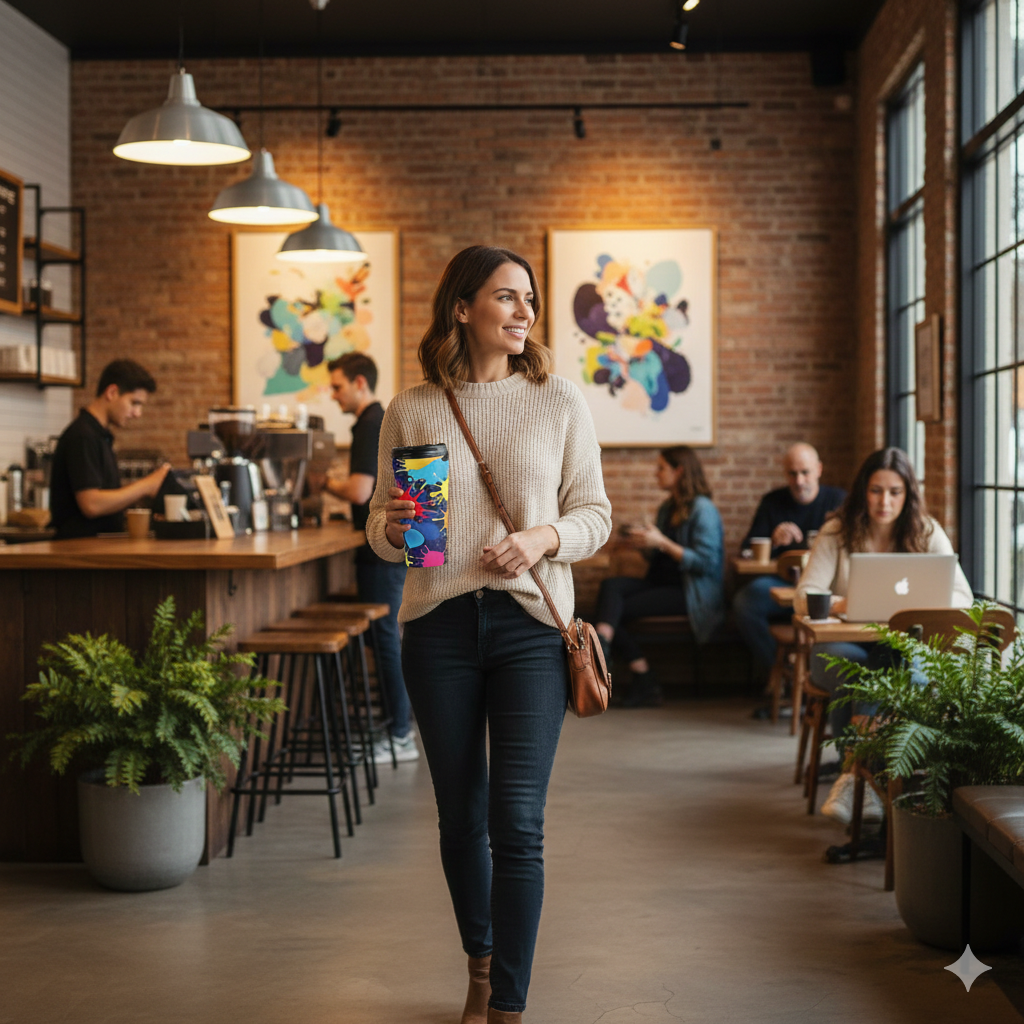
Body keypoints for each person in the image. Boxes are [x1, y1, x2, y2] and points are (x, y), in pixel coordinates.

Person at [366, 245, 611, 1024]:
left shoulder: (559, 400)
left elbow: (595, 515)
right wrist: (394, 528)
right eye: (507, 297)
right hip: (436, 625)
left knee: (518, 820)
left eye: (530, 300)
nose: (524, 312)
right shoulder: (413, 407)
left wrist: (540, 538)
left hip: (531, 629)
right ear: (462, 307)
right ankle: (478, 958)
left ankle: (507, 1002)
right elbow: (388, 532)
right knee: (460, 815)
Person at [794, 447, 972, 740]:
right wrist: (842, 605)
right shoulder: (836, 532)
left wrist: (923, 605)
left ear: (908, 494)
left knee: (895, 665)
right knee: (865, 671)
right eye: (876, 490)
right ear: (863, 490)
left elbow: (963, 597)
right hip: (840, 645)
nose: (884, 501)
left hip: (903, 645)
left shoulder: (927, 532)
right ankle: (866, 769)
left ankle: (857, 769)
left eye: (894, 492)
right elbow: (804, 597)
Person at [317, 351, 416, 762]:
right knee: (386, 639)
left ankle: (400, 735)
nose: (333, 394)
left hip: (382, 554)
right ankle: (398, 730)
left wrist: (321, 481)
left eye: (338, 385)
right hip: (383, 550)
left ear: (360, 383)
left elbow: (359, 491)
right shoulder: (376, 421)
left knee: (386, 641)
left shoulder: (371, 422)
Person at [594, 447, 724, 707]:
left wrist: (662, 542)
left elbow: (706, 564)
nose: (656, 474)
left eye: (661, 467)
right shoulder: (668, 507)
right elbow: (659, 559)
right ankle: (611, 653)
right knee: (610, 588)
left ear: (679, 471)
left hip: (689, 594)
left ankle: (619, 665)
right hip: (660, 584)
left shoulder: (703, 509)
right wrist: (642, 545)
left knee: (612, 611)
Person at [733, 443, 846, 679]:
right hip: (783, 584)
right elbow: (745, 551)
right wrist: (773, 541)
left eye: (805, 472)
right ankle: (784, 672)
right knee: (744, 603)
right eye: (792, 474)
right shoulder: (772, 502)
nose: (799, 481)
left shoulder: (838, 501)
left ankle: (813, 677)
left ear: (819, 470)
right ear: (785, 474)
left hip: (826, 586)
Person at [49, 359, 170, 539]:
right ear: (112, 392)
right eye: (134, 403)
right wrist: (147, 485)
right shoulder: (83, 435)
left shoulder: (100, 435)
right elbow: (91, 504)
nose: (137, 414)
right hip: (77, 555)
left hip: (92, 550)